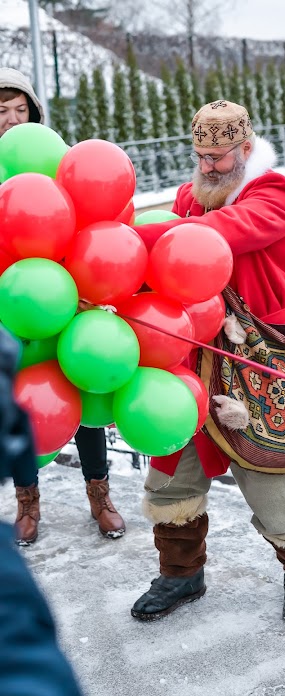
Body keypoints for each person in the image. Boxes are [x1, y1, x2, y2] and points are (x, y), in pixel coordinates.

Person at [132, 100, 285, 622]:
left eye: (220, 156)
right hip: (191, 356)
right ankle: (179, 576)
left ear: (246, 149)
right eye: (201, 155)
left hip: (264, 359)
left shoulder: (275, 193)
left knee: (268, 481)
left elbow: (215, 235)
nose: (208, 166)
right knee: (171, 469)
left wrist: (128, 238)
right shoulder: (187, 197)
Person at [0, 67, 125, 543]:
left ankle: (101, 495)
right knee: (23, 405)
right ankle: (27, 503)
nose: (13, 120)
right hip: (13, 308)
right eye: (2, 112)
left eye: (21, 109)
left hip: (67, 298)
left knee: (83, 395)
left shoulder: (59, 162)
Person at [0, 325, 90, 696]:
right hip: (23, 322)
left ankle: (99, 496)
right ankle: (28, 505)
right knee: (33, 400)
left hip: (78, 325)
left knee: (86, 409)